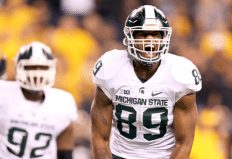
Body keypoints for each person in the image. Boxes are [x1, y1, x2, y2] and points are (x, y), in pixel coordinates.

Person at [91, 5, 202, 159]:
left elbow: (183, 143)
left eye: (155, 34)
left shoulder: (180, 74)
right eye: (142, 34)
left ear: (164, 37)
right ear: (130, 37)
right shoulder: (111, 68)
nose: (149, 41)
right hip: (119, 154)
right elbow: (100, 139)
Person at [0, 42, 78, 159]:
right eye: (30, 67)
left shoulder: (63, 102)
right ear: (17, 67)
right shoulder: (3, 93)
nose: (36, 73)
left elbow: (65, 152)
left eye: (43, 67)